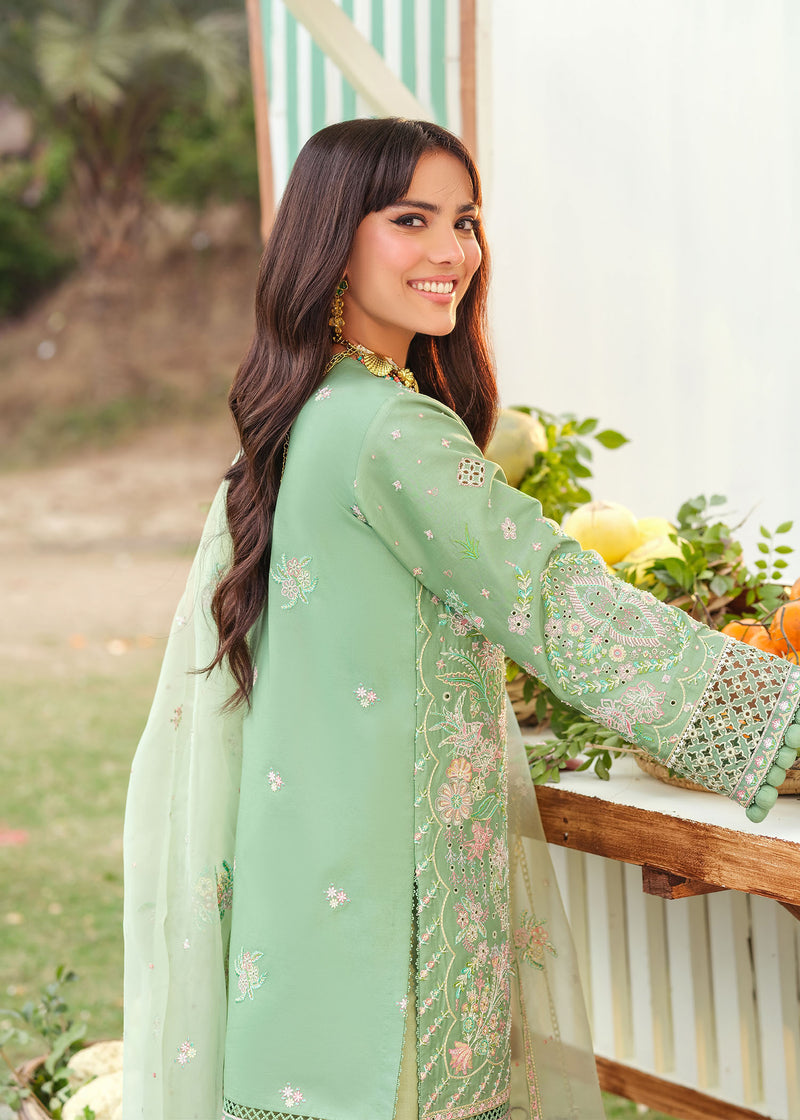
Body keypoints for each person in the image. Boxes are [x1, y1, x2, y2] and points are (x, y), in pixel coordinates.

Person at [122, 118, 800, 1120]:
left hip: (305, 897)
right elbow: (560, 602)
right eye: (411, 220)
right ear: (331, 240)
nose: (451, 252)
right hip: (393, 922)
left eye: (465, 221)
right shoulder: (386, 429)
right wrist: (775, 716)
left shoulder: (308, 408)